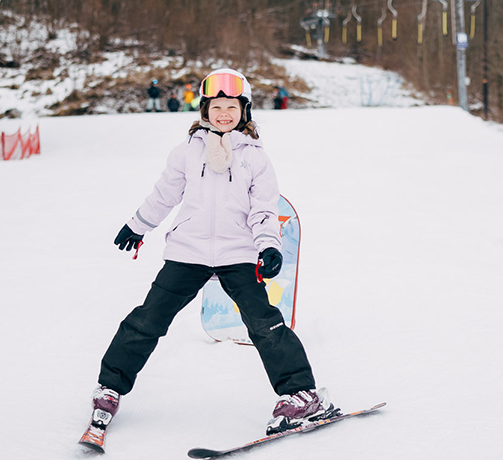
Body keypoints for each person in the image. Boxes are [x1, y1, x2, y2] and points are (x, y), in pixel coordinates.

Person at [82, 69, 339, 451]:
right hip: (188, 251)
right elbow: (164, 195)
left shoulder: (255, 158)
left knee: (265, 324)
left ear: (244, 110)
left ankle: (301, 395)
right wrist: (138, 225)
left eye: (231, 107)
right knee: (147, 320)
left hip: (238, 253)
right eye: (216, 106)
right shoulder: (187, 151)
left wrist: (268, 245)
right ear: (204, 109)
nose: (223, 114)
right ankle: (109, 390)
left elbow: (264, 209)